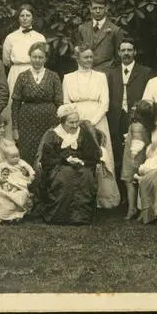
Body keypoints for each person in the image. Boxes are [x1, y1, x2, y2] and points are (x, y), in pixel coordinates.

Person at [62, 43, 121, 208]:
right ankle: (78, 196)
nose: (89, 60)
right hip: (76, 120)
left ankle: (104, 197)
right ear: (78, 58)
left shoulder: (100, 76)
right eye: (85, 57)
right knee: (77, 153)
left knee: (100, 154)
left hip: (98, 119)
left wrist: (92, 123)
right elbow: (67, 102)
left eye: (91, 56)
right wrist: (78, 122)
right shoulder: (68, 77)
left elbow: (105, 103)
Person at [32, 104, 102, 225]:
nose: (75, 125)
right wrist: (65, 160)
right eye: (71, 122)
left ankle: (81, 217)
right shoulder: (52, 134)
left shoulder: (84, 133)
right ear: (63, 122)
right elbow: (47, 158)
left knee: (85, 175)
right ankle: (60, 216)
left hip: (82, 165)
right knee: (66, 175)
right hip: (58, 166)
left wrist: (81, 161)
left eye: (76, 122)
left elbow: (92, 155)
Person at [105, 37, 155, 180]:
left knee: (136, 152)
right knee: (117, 153)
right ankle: (122, 193)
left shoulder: (146, 72)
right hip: (116, 118)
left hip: (137, 120)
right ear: (119, 53)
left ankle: (137, 186)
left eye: (129, 50)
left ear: (135, 52)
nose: (126, 53)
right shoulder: (111, 73)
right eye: (123, 50)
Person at [10, 41, 63, 166]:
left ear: (46, 59)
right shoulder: (22, 76)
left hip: (49, 121)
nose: (37, 60)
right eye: (34, 57)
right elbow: (15, 104)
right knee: (27, 152)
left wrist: (60, 127)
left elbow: (59, 103)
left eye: (40, 57)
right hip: (27, 122)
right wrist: (15, 128)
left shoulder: (53, 76)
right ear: (30, 57)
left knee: (49, 152)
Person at [1, 4, 47, 139]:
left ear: (33, 18)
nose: (25, 18)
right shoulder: (11, 37)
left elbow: (43, 57)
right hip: (15, 72)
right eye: (22, 15)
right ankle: (11, 140)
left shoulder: (40, 37)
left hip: (35, 71)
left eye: (28, 15)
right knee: (13, 106)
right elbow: (6, 60)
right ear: (18, 18)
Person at [120, 100, 155, 220]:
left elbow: (137, 142)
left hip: (133, 156)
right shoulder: (147, 126)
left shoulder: (136, 126)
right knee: (140, 182)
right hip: (144, 155)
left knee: (129, 182)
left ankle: (132, 209)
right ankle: (142, 208)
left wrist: (133, 157)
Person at [74, 0, 124, 71]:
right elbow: (78, 53)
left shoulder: (115, 30)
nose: (97, 11)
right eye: (95, 8)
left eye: (100, 8)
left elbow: (119, 58)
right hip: (85, 73)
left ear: (106, 9)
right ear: (90, 9)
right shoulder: (82, 28)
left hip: (106, 75)